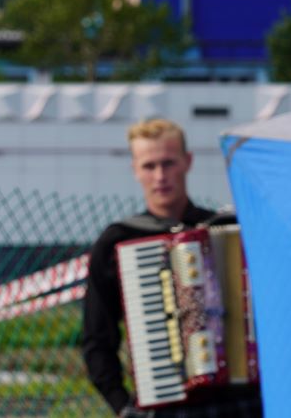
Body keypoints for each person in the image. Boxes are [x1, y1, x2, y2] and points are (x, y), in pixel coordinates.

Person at [80, 118, 263, 417]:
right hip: (169, 404)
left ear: (187, 162)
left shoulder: (228, 230)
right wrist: (121, 405)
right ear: (135, 170)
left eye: (169, 163)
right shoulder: (119, 239)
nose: (160, 176)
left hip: (241, 400)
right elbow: (97, 337)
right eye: (149, 166)